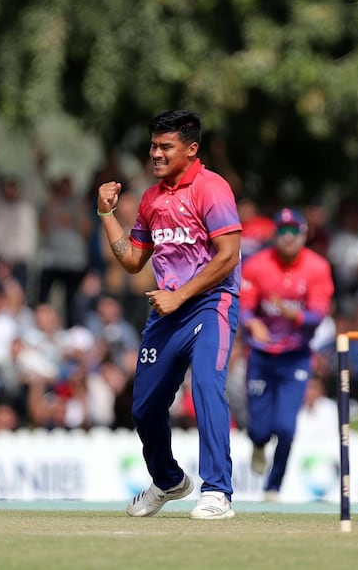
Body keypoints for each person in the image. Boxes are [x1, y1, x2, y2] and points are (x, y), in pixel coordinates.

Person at [97, 109, 242, 520]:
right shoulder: (151, 198)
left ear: (191, 149)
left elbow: (228, 257)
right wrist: (107, 215)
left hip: (211, 302)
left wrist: (180, 296)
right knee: (143, 407)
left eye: (166, 147)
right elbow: (132, 261)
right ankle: (168, 480)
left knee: (207, 388)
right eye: (153, 146)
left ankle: (217, 492)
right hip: (167, 313)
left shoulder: (212, 189)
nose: (156, 154)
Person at [239, 208, 334, 501]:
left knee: (286, 428)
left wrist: (295, 315)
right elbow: (243, 308)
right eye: (282, 231)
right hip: (262, 355)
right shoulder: (256, 265)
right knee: (260, 429)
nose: (288, 238)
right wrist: (252, 323)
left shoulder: (317, 267)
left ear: (304, 235)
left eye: (294, 232)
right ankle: (257, 444)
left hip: (296, 355)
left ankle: (273, 486)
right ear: (275, 235)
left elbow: (318, 315)